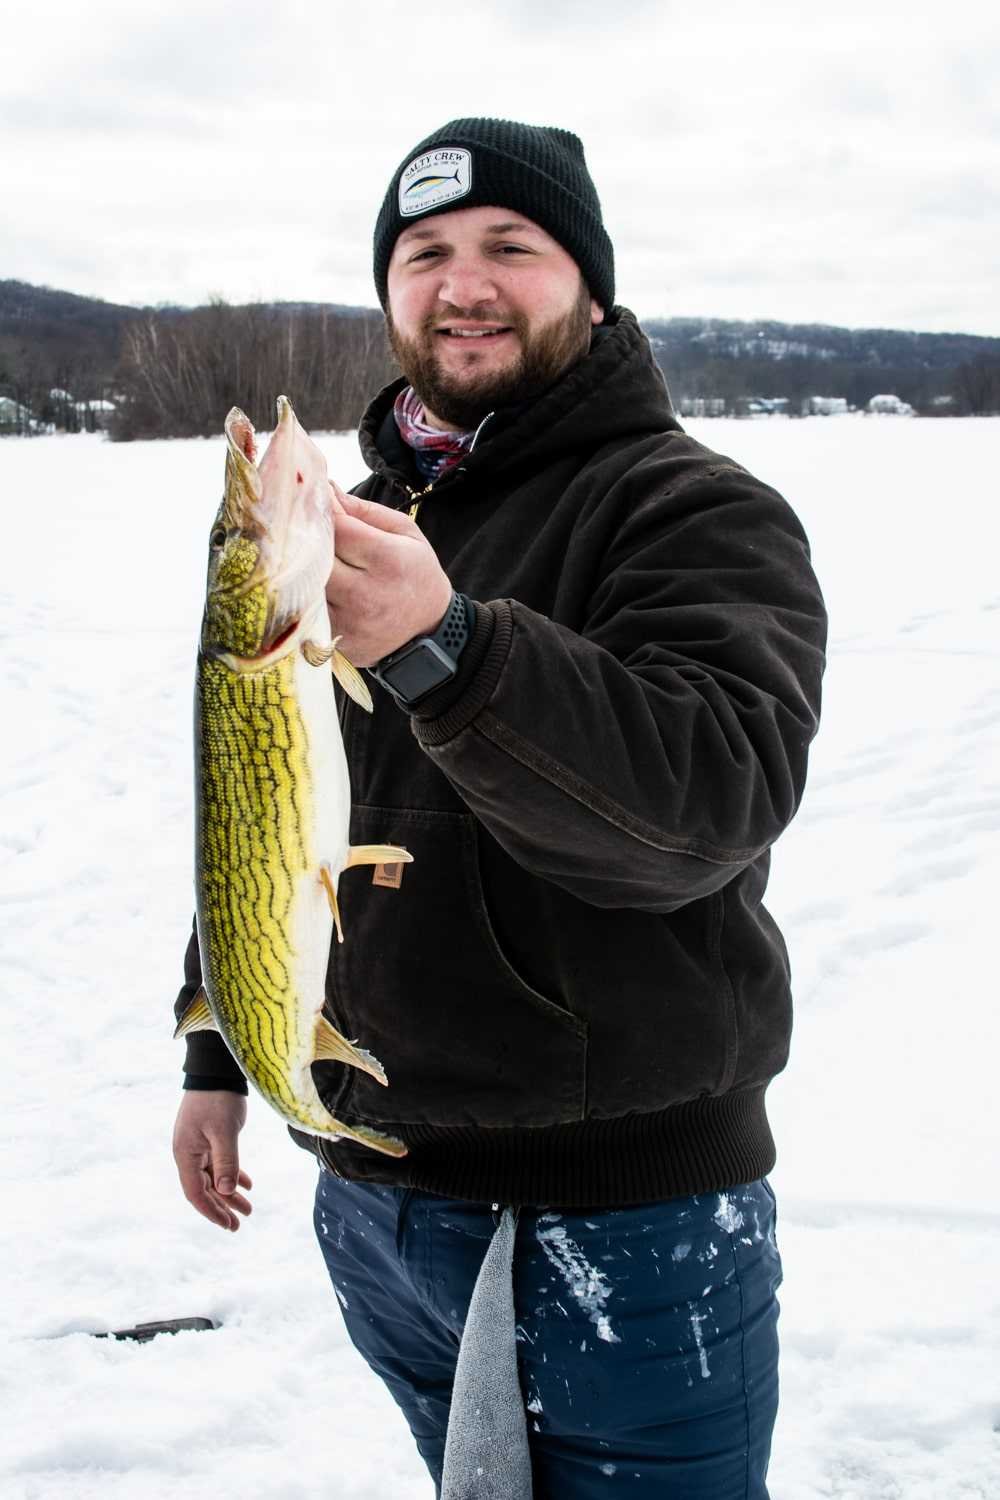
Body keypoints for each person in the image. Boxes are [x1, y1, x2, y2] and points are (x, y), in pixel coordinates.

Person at [172, 118, 827, 1498]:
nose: (462, 283)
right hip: (372, 1203)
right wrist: (220, 1056)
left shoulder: (688, 508)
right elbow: (266, 808)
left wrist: (447, 643)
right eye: (424, 255)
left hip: (616, 1221)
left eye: (509, 248)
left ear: (587, 282)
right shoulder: (357, 527)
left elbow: (709, 802)